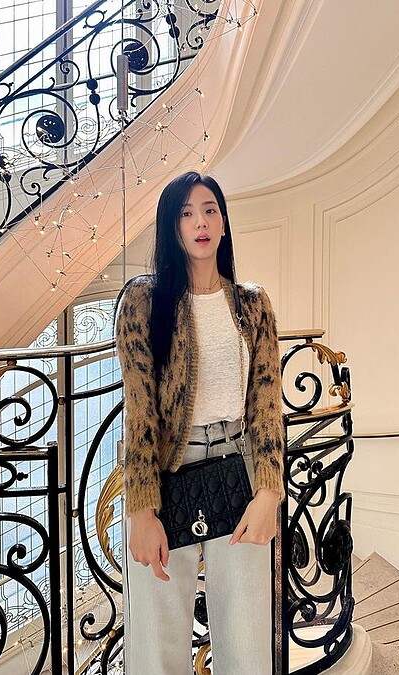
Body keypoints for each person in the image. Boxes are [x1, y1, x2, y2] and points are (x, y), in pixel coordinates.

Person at [115, 171, 285, 674]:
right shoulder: (144, 301)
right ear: (173, 228)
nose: (200, 222)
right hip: (167, 474)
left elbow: (267, 404)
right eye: (186, 213)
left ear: (224, 223)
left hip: (239, 471)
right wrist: (141, 511)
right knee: (157, 645)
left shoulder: (252, 303)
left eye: (210, 210)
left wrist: (270, 492)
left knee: (248, 642)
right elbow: (139, 411)